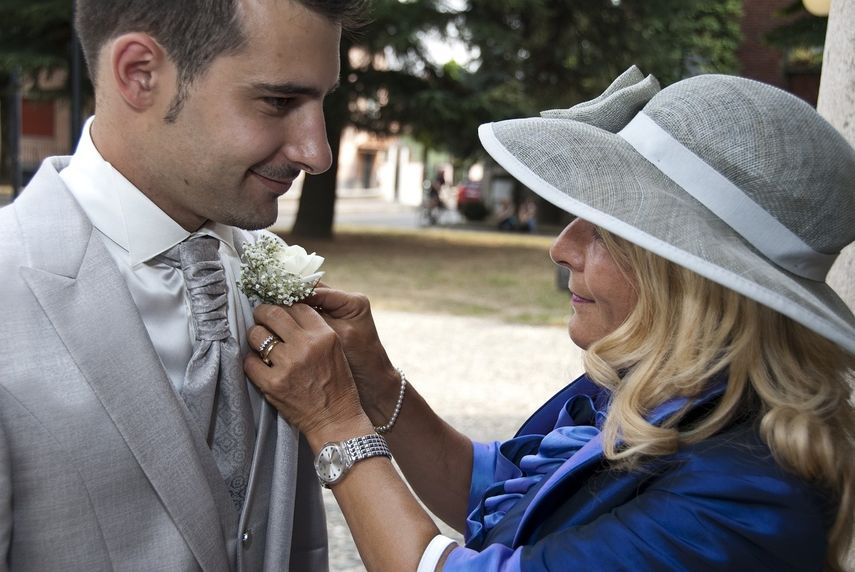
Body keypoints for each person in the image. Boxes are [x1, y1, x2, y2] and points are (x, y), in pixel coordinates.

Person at [244, 66, 855, 570]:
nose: (561, 249)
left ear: (691, 280)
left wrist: (335, 421)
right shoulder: (672, 390)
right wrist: (372, 382)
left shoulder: (745, 491)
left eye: (606, 230)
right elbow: (492, 492)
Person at [0, 0, 367, 569]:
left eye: (323, 102)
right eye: (278, 101)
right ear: (139, 74)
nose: (316, 153)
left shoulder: (264, 272)